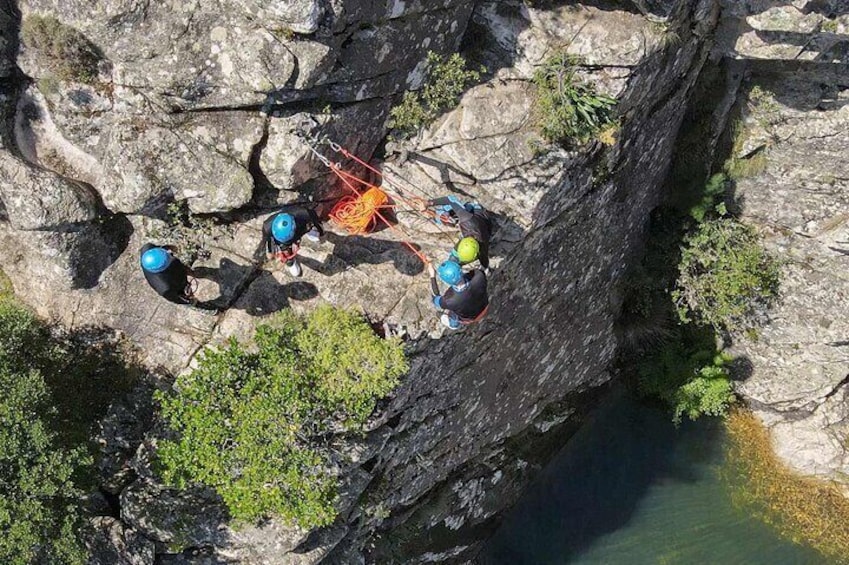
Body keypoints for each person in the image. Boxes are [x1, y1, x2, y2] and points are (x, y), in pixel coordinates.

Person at [426, 195, 493, 272]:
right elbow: (450, 199)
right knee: (447, 215)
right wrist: (428, 203)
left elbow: (484, 263)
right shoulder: (467, 220)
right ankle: (443, 214)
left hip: (481, 219)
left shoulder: (482, 249)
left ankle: (442, 216)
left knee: (447, 217)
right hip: (474, 216)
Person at [139, 244, 216, 310]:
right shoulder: (164, 288)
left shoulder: (147, 249)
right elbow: (176, 299)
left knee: (180, 268)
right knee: (188, 298)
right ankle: (202, 307)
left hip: (173, 270)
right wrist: (188, 301)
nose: (170, 254)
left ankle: (190, 273)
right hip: (175, 283)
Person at [261, 205, 324, 277]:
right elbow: (268, 245)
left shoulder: (303, 213)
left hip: (301, 226)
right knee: (286, 252)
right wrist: (271, 252)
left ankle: (311, 232)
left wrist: (321, 232)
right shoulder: (267, 227)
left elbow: (316, 215)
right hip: (282, 242)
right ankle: (291, 263)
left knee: (310, 224)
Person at [428, 260, 489, 330]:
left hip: (469, 318)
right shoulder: (479, 276)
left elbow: (436, 298)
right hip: (484, 306)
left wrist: (432, 276)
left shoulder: (449, 301)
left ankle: (452, 323)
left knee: (454, 322)